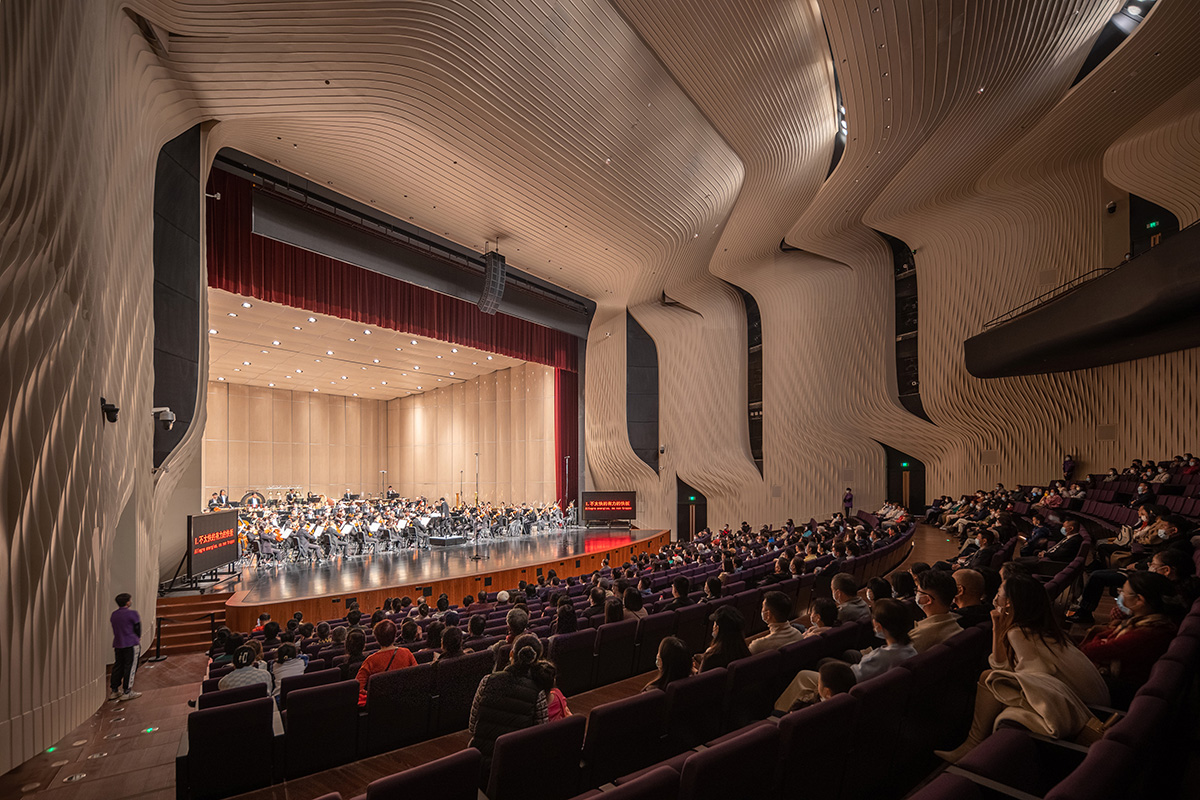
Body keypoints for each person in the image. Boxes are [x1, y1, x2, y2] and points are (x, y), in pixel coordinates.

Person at [935, 574, 1109, 763]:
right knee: (989, 677)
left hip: (1083, 706)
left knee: (991, 680)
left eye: (999, 593)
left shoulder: (1018, 632)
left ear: (1009, 602)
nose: (995, 598)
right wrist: (997, 627)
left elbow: (1033, 676)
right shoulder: (1042, 628)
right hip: (1096, 701)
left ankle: (972, 744)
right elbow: (1003, 667)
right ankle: (973, 744)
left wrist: (1000, 630)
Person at [775, 599, 915, 712]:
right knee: (825, 662)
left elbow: (852, 677)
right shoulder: (909, 649)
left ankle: (779, 712)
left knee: (804, 675)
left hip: (849, 686)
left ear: (878, 626)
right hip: (869, 684)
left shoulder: (883, 657)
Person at [1079, 571, 1179, 706]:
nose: (1120, 595)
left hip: (1124, 690)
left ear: (1139, 600)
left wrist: (1098, 636)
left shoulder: (1147, 634)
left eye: (1123, 592)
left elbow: (1091, 651)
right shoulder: (1151, 622)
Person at [468, 633, 556, 778]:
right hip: (515, 767)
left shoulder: (487, 681)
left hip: (479, 764)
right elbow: (539, 736)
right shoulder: (538, 693)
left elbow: (472, 727)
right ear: (536, 660)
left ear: (511, 654)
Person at [355, 619, 417, 706]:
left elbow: (357, 687)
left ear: (376, 638)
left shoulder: (371, 660)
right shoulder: (406, 653)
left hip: (381, 704)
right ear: (395, 635)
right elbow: (417, 676)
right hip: (405, 702)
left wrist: (373, 694)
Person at [910, 570, 964, 652]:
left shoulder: (919, 636)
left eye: (918, 591)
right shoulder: (955, 623)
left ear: (928, 600)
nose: (916, 594)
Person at [697, 606, 752, 672]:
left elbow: (702, 677)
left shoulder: (710, 658)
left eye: (714, 624)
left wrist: (694, 669)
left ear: (717, 628)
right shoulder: (744, 652)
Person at [109, 593, 142, 701]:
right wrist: (138, 637)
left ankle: (114, 690)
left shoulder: (114, 614)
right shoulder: (132, 614)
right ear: (127, 602)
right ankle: (127, 691)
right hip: (131, 643)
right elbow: (137, 628)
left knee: (118, 665)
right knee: (130, 666)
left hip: (118, 643)